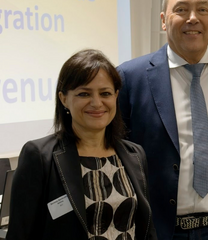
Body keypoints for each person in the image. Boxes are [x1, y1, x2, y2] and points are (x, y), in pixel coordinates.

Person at [116, 0, 208, 239]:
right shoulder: (130, 77)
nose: (193, 18)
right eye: (181, 9)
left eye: (203, 9)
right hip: (162, 230)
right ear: (164, 20)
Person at [6, 49, 157, 240]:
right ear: (63, 99)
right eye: (84, 94)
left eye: (105, 93)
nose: (96, 103)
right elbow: (21, 233)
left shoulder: (134, 154)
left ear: (116, 96)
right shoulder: (39, 156)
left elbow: (147, 228)